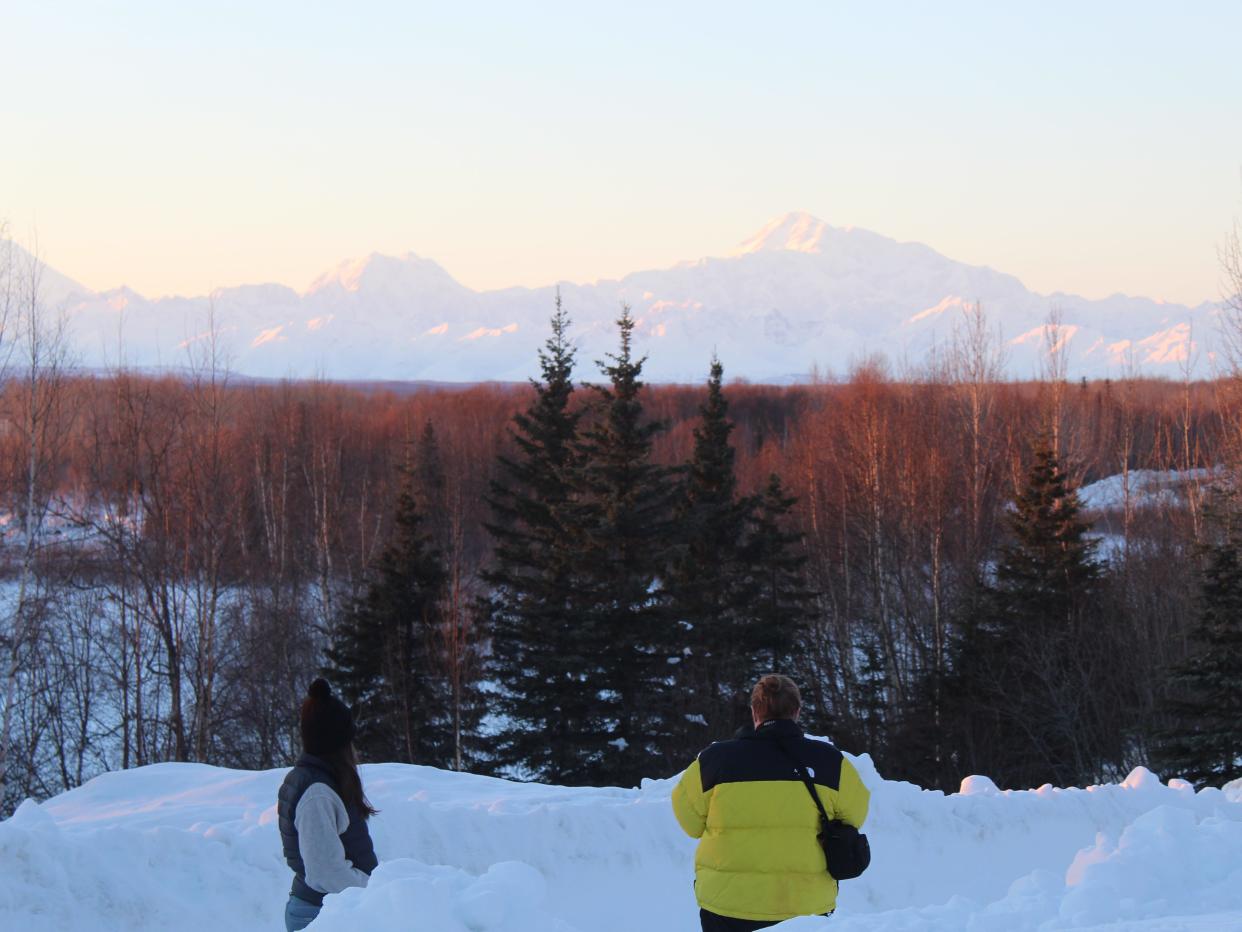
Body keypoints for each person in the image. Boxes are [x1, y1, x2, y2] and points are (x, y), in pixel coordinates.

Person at [672, 674, 870, 931]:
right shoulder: (830, 762)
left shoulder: (714, 760)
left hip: (727, 904)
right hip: (805, 907)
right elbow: (855, 817)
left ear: (755, 712)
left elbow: (689, 824)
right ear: (797, 712)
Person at [277, 678, 379, 931]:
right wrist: (374, 892)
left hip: (328, 911)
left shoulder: (320, 782)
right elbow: (325, 871)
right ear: (338, 743)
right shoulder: (317, 793)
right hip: (319, 915)